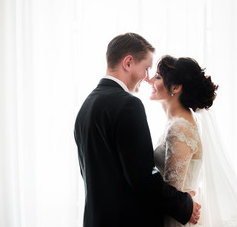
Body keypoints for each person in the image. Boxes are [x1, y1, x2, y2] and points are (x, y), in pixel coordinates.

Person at [74, 33, 201, 227]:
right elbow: (142, 178)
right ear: (128, 63)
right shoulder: (128, 105)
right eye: (147, 68)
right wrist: (184, 205)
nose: (147, 77)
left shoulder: (86, 106)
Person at [147, 55, 237, 226]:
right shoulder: (177, 122)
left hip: (176, 217)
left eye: (157, 76)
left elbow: (173, 191)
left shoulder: (180, 128)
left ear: (176, 87)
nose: (150, 80)